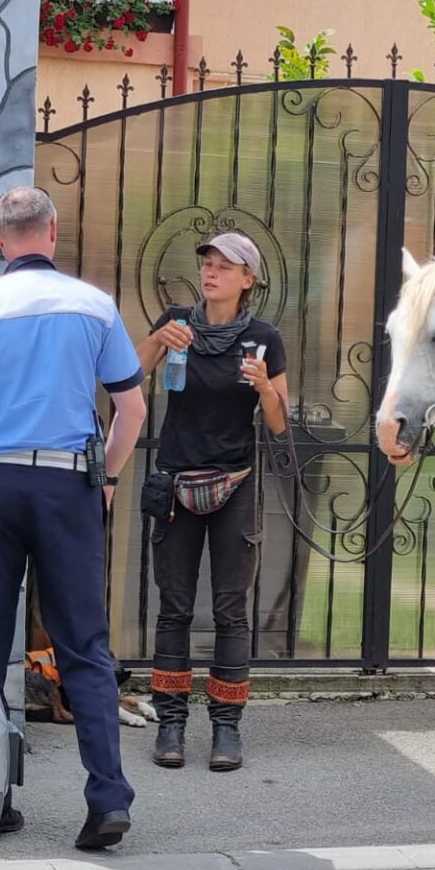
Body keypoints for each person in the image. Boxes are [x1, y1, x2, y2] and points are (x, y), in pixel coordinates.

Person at [0, 186, 147, 850]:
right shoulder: (94, 305)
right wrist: (106, 478)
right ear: (52, 232)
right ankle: (107, 798)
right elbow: (131, 409)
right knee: (84, 644)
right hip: (68, 485)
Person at [135, 232, 288, 772]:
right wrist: (158, 340)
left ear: (248, 279)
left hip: (235, 483)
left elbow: (279, 422)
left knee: (230, 609)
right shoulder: (177, 322)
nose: (211, 272)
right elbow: (128, 377)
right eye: (207, 263)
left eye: (225, 266)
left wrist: (264, 387)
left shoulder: (264, 339)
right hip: (176, 480)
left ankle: (226, 728)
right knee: (174, 606)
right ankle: (171, 724)